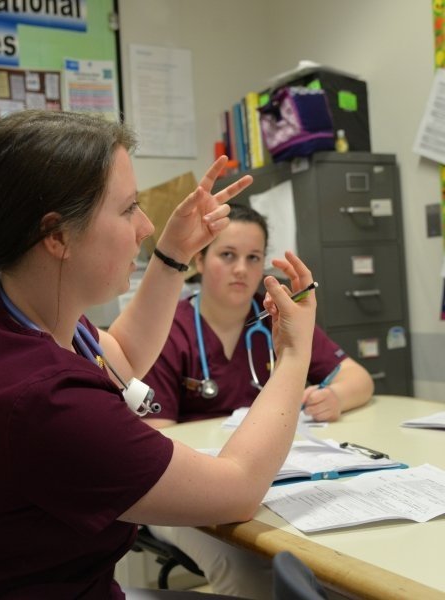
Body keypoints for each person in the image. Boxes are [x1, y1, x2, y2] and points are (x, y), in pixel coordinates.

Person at [0, 109, 317, 600]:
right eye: (128, 208)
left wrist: (174, 251)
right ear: (57, 236)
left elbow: (123, 354)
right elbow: (239, 489)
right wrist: (292, 353)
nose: (145, 226)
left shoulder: (5, 308)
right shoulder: (44, 398)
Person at [142, 203, 375, 598]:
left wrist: (334, 396)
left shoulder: (276, 317)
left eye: (253, 258)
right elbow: (156, 436)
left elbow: (360, 379)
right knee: (246, 568)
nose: (241, 270)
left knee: (335, 566)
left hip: (272, 483)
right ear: (200, 258)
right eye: (227, 255)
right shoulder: (168, 327)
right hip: (184, 491)